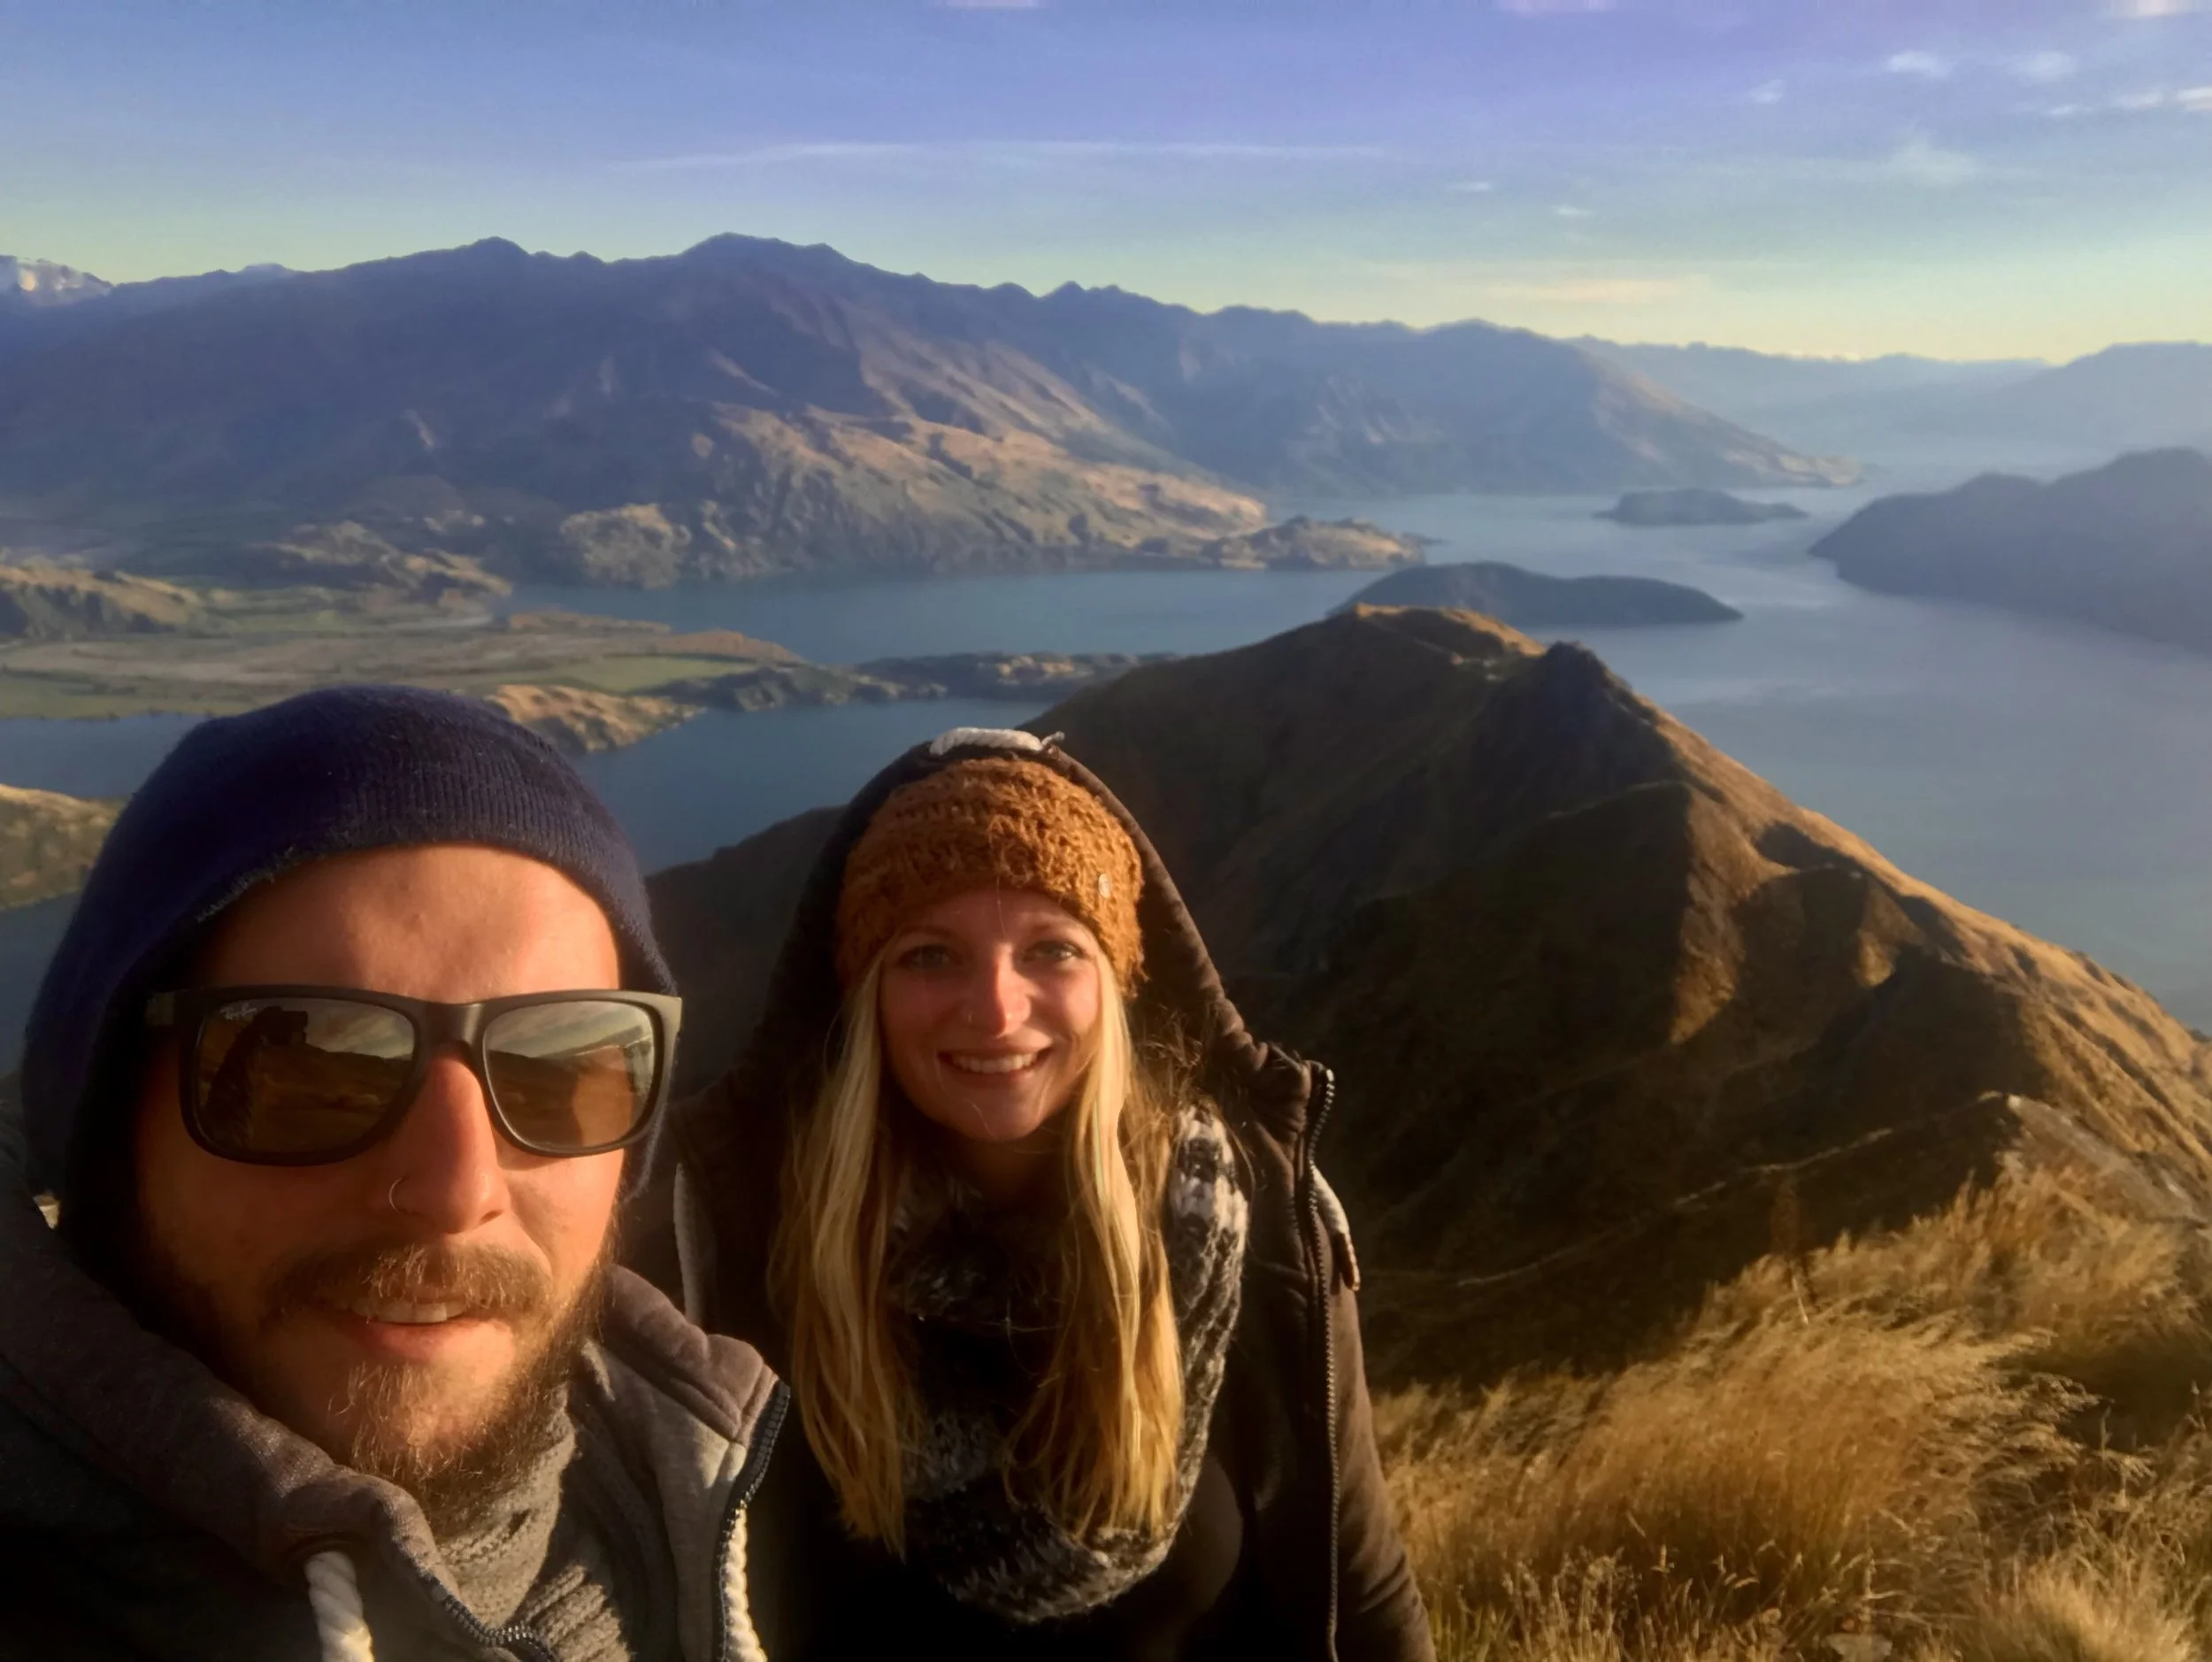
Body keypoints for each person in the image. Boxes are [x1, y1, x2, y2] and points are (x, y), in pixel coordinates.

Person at [0, 686, 786, 1661]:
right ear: (111, 1127)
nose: (457, 1192)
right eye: (305, 1069)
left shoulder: (721, 1496)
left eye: (556, 1069)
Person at [658, 727, 1432, 1660]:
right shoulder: (744, 1240)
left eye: (1053, 950)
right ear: (866, 996)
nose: (995, 1009)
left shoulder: (1249, 1218)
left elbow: (1361, 1582)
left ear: (1115, 985)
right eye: (930, 956)